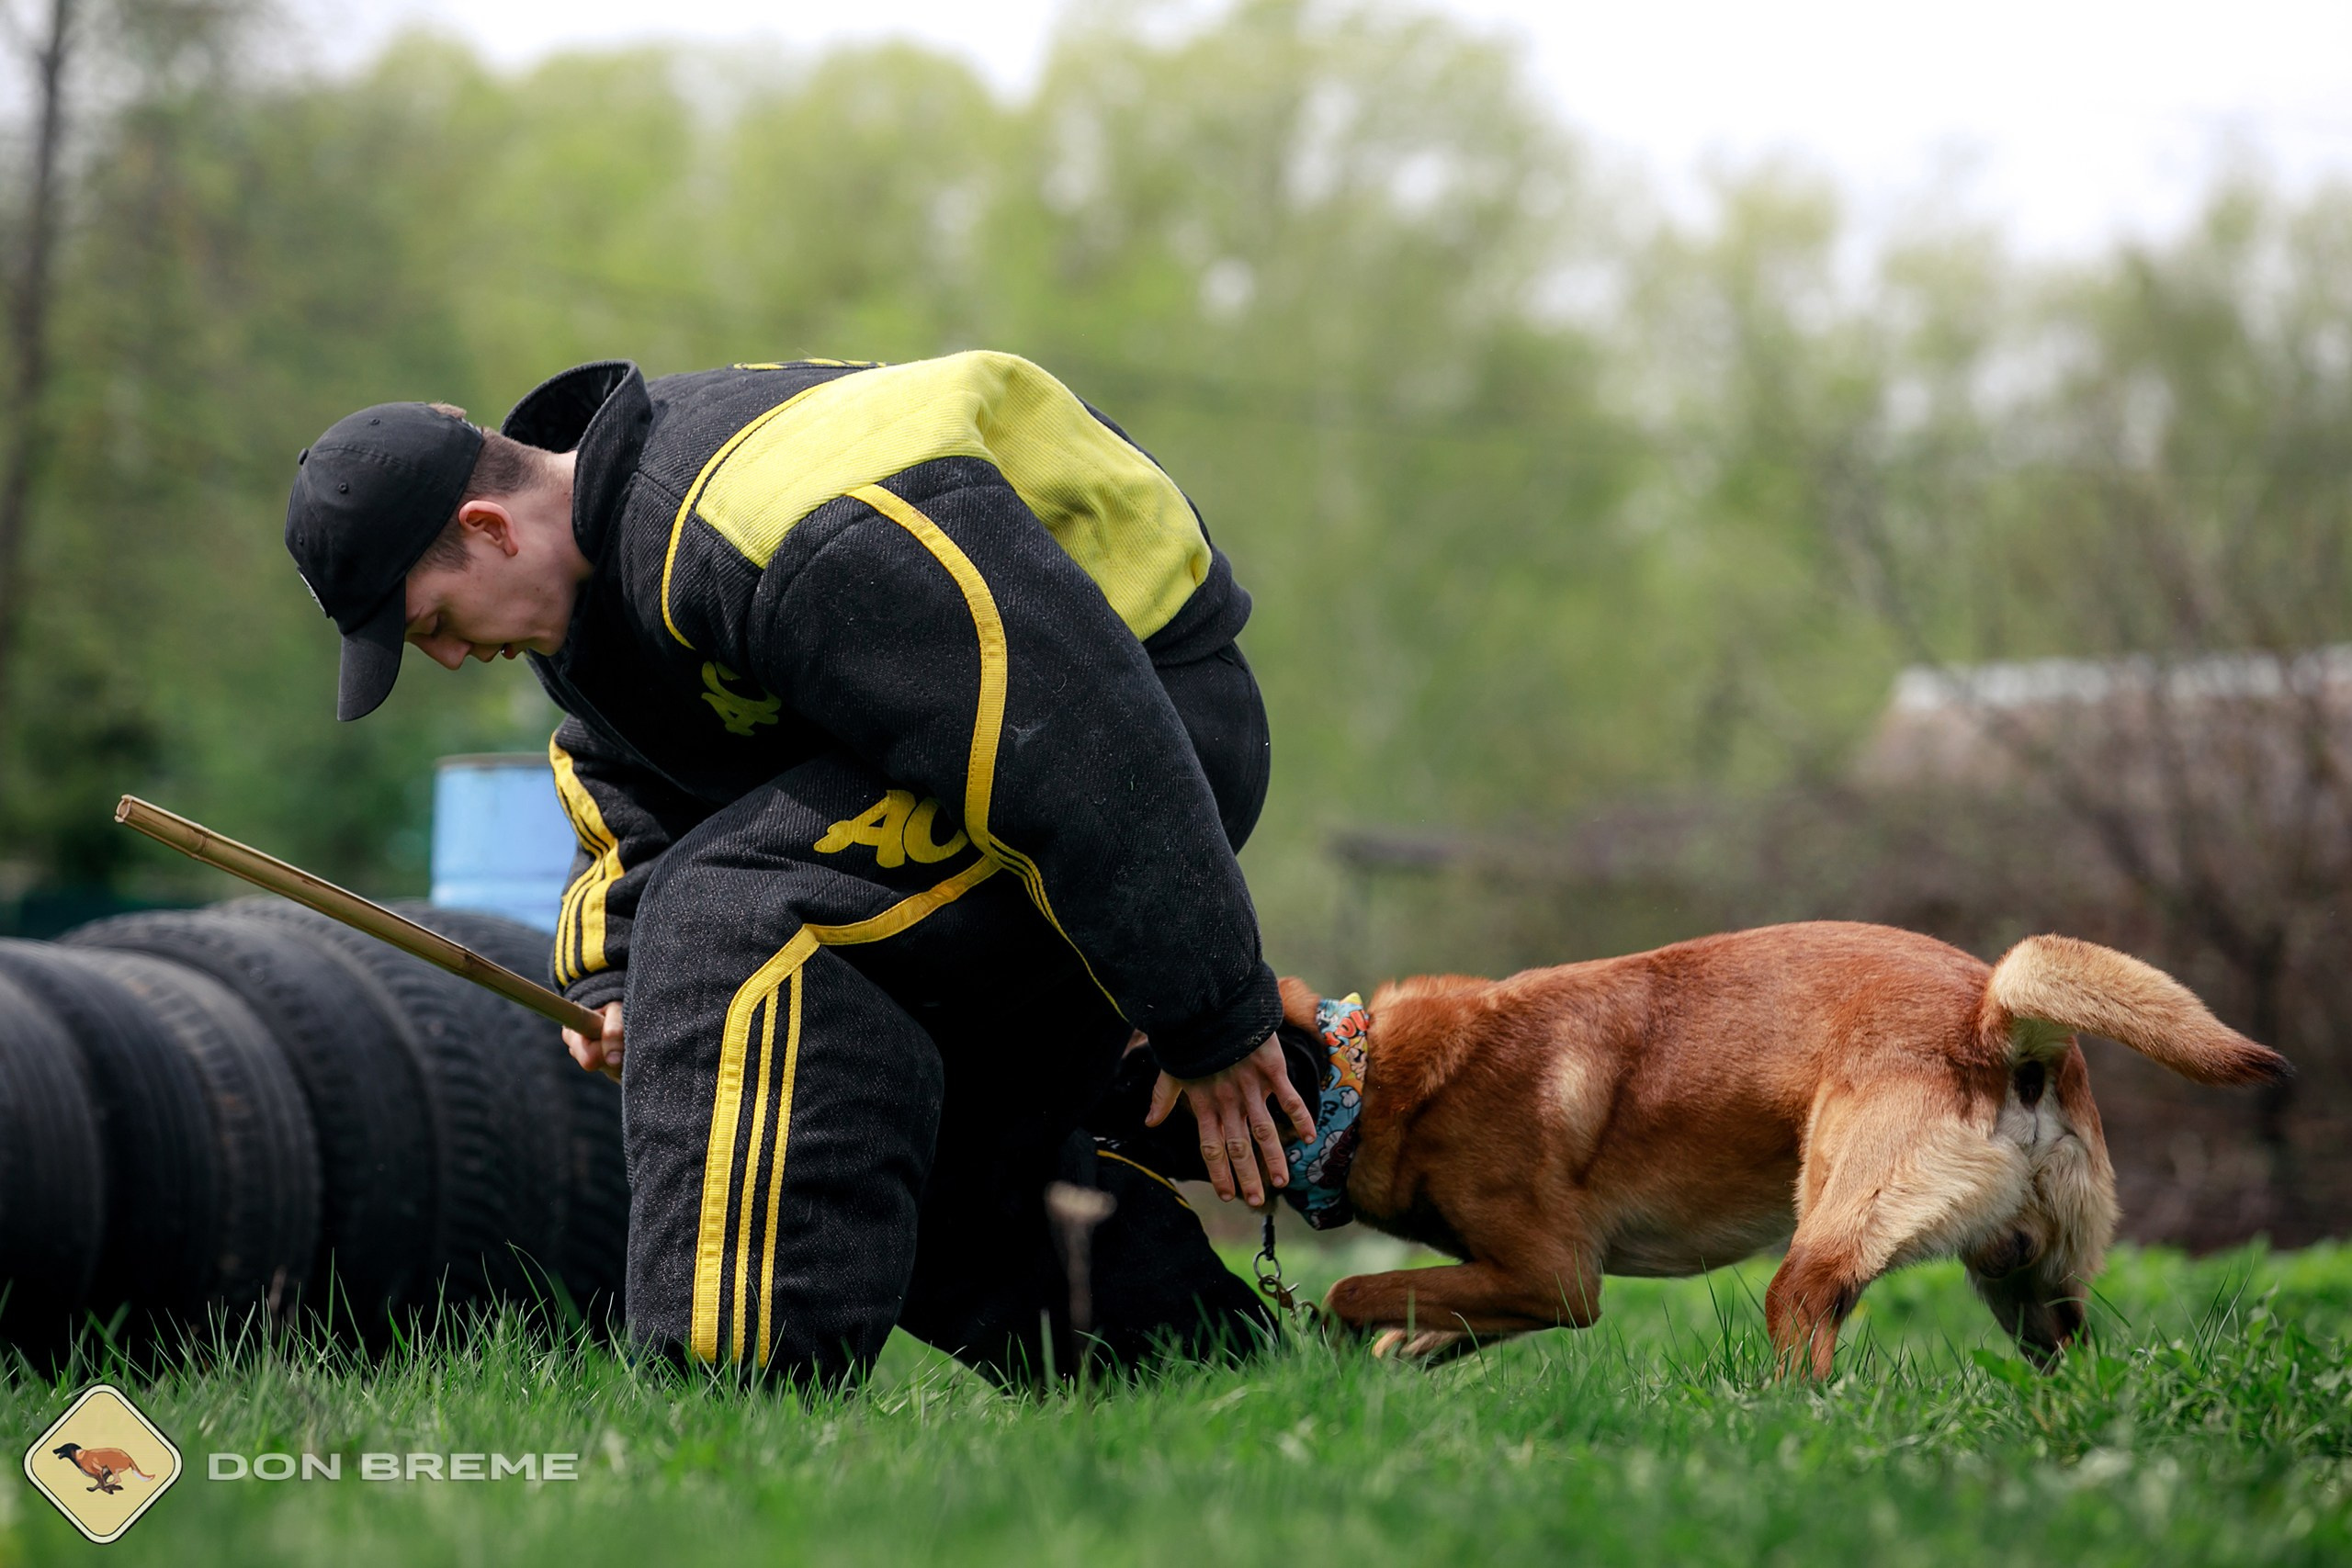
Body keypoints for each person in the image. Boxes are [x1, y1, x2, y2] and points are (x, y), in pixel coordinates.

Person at [282, 351, 1316, 1384]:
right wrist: (616, 976)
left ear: (490, 529)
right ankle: (1205, 1378)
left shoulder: (784, 532)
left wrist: (1211, 1015)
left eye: (433, 625)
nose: (451, 659)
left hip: (1146, 727)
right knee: (876, 1115)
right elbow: (623, 771)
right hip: (985, 747)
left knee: (735, 930)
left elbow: (1071, 732)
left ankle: (725, 1407)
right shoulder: (594, 585)